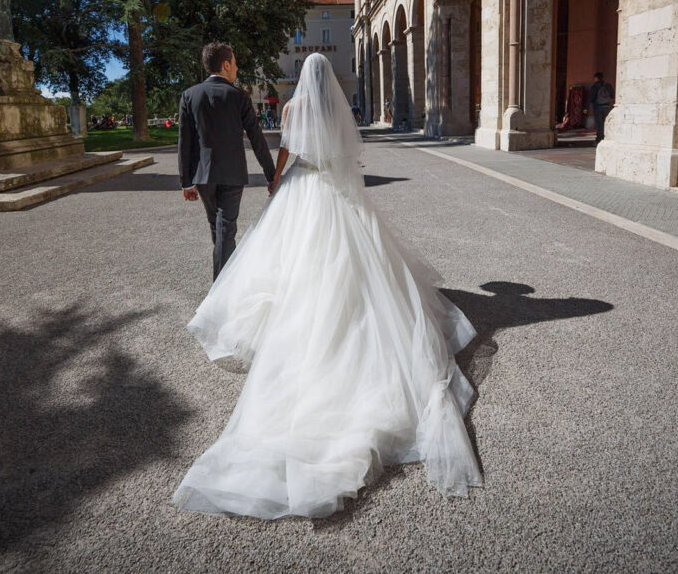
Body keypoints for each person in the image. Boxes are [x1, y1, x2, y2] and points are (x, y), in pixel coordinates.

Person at [173, 53, 482, 519]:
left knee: (288, 260)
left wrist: (277, 179)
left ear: (302, 77)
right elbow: (348, 156)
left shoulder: (292, 109)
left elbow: (286, 151)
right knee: (356, 263)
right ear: (330, 79)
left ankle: (288, 325)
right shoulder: (339, 110)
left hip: (302, 188)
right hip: (334, 190)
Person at [178, 42, 277, 280]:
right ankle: (220, 291)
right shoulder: (238, 96)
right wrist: (271, 175)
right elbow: (257, 139)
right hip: (232, 174)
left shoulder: (189, 96)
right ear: (225, 64)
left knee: (219, 229)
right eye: (234, 63)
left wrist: (186, 182)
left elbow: (185, 142)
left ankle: (223, 284)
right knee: (225, 230)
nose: (236, 67)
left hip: (202, 176)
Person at [590, 72, 615, 145]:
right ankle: (607, 137)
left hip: (598, 107)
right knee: (606, 123)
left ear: (596, 78)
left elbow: (592, 97)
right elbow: (612, 95)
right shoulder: (608, 85)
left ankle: (599, 139)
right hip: (607, 107)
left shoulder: (595, 86)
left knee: (599, 124)